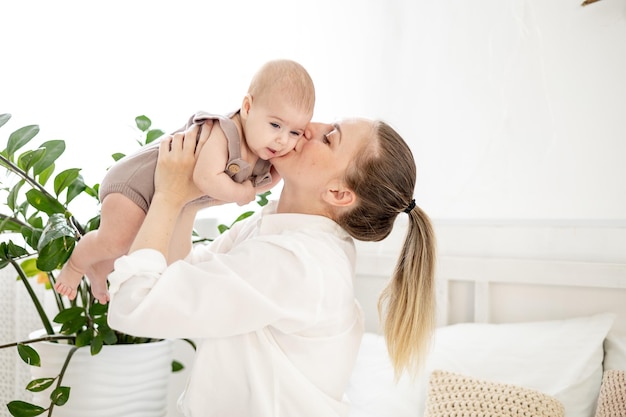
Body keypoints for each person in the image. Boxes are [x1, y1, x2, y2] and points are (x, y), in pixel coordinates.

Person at [107, 118, 437, 417]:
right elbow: (178, 274)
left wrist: (168, 195)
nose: (310, 126)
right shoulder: (278, 231)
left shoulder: (298, 263)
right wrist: (193, 195)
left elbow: (135, 304)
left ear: (338, 193)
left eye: (329, 138)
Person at [54, 59, 315, 304]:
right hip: (135, 183)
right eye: (275, 125)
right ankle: (76, 265)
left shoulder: (263, 151)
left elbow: (261, 184)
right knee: (116, 240)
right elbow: (205, 178)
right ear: (247, 108)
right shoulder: (223, 132)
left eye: (295, 132)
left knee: (148, 250)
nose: (283, 140)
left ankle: (99, 269)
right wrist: (242, 192)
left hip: (167, 196)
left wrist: (272, 177)